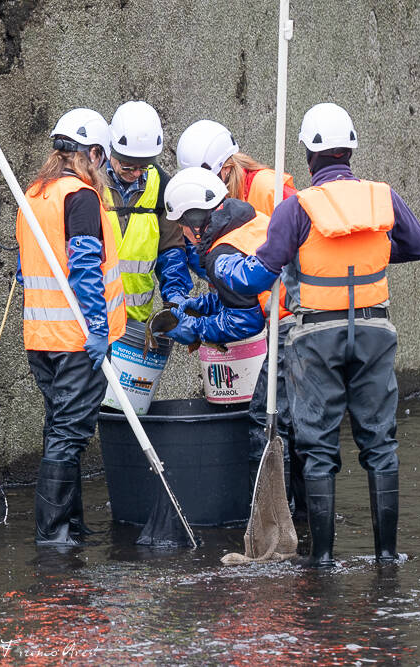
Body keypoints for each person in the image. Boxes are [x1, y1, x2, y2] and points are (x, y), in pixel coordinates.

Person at [214, 102, 420, 566]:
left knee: (317, 445)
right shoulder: (382, 197)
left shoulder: (297, 207)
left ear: (310, 157)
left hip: (316, 334)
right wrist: (368, 253)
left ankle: (324, 560)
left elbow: (261, 275)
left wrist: (227, 269)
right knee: (380, 441)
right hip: (375, 328)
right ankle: (388, 556)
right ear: (350, 150)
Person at [177, 119, 304, 514]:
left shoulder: (269, 189)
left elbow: (247, 311)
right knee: (292, 423)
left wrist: (198, 326)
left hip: (291, 320)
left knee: (268, 420)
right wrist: (207, 305)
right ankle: (299, 516)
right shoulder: (239, 211)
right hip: (284, 316)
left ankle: (268, 520)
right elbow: (248, 291)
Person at [16, 108, 126, 545]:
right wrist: (97, 328)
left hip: (41, 339)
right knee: (68, 435)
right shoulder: (79, 197)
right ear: (93, 154)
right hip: (77, 339)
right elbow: (83, 265)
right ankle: (55, 536)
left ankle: (71, 526)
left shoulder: (34, 195)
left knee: (59, 429)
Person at [103, 101, 193, 322]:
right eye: (127, 166)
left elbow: (171, 251)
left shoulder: (162, 186)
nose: (135, 173)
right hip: (91, 319)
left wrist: (175, 298)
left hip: (134, 322)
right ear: (110, 150)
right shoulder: (88, 184)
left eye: (143, 167)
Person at [162, 167, 268, 347]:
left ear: (194, 222)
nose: (182, 232)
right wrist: (205, 305)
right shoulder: (252, 220)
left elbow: (246, 322)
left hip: (291, 325)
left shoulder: (221, 255)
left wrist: (195, 328)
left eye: (182, 226)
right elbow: (247, 295)